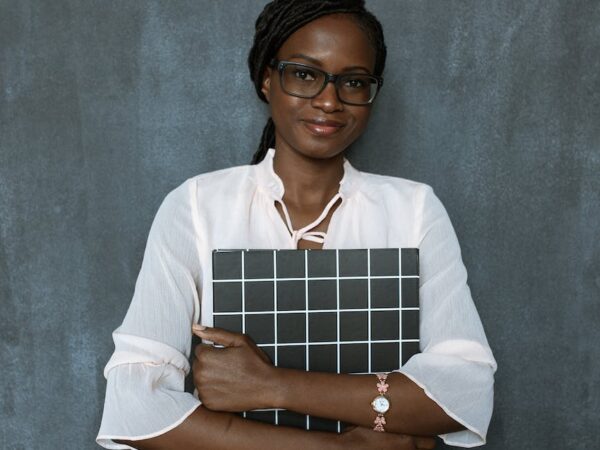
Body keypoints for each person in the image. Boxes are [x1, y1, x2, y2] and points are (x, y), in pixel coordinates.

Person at [96, 1, 497, 449]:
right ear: (267, 80)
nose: (329, 100)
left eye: (353, 82)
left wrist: (272, 385)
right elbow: (134, 406)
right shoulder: (196, 206)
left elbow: (463, 394)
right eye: (305, 74)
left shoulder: (413, 209)